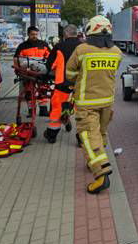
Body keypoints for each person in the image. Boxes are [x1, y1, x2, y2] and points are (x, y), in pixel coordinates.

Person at [66, 15, 123, 194]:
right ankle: (96, 159)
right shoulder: (117, 52)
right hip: (107, 102)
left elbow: (69, 73)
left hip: (86, 102)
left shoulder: (82, 50)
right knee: (100, 133)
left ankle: (101, 173)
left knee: (89, 137)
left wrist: (81, 78)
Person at [43, 24, 82, 143]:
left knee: (57, 109)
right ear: (77, 33)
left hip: (62, 85)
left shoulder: (59, 47)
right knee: (82, 113)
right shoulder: (84, 47)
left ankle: (51, 136)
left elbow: (49, 65)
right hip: (81, 85)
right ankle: (81, 139)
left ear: (65, 34)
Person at [13, 25, 51, 115]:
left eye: (36, 34)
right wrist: (17, 70)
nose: (34, 36)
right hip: (28, 73)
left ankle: (43, 110)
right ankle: (31, 110)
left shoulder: (43, 44)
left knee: (43, 90)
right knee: (29, 91)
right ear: (28, 34)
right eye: (32, 34)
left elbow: (50, 56)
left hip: (41, 72)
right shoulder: (22, 46)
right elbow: (16, 59)